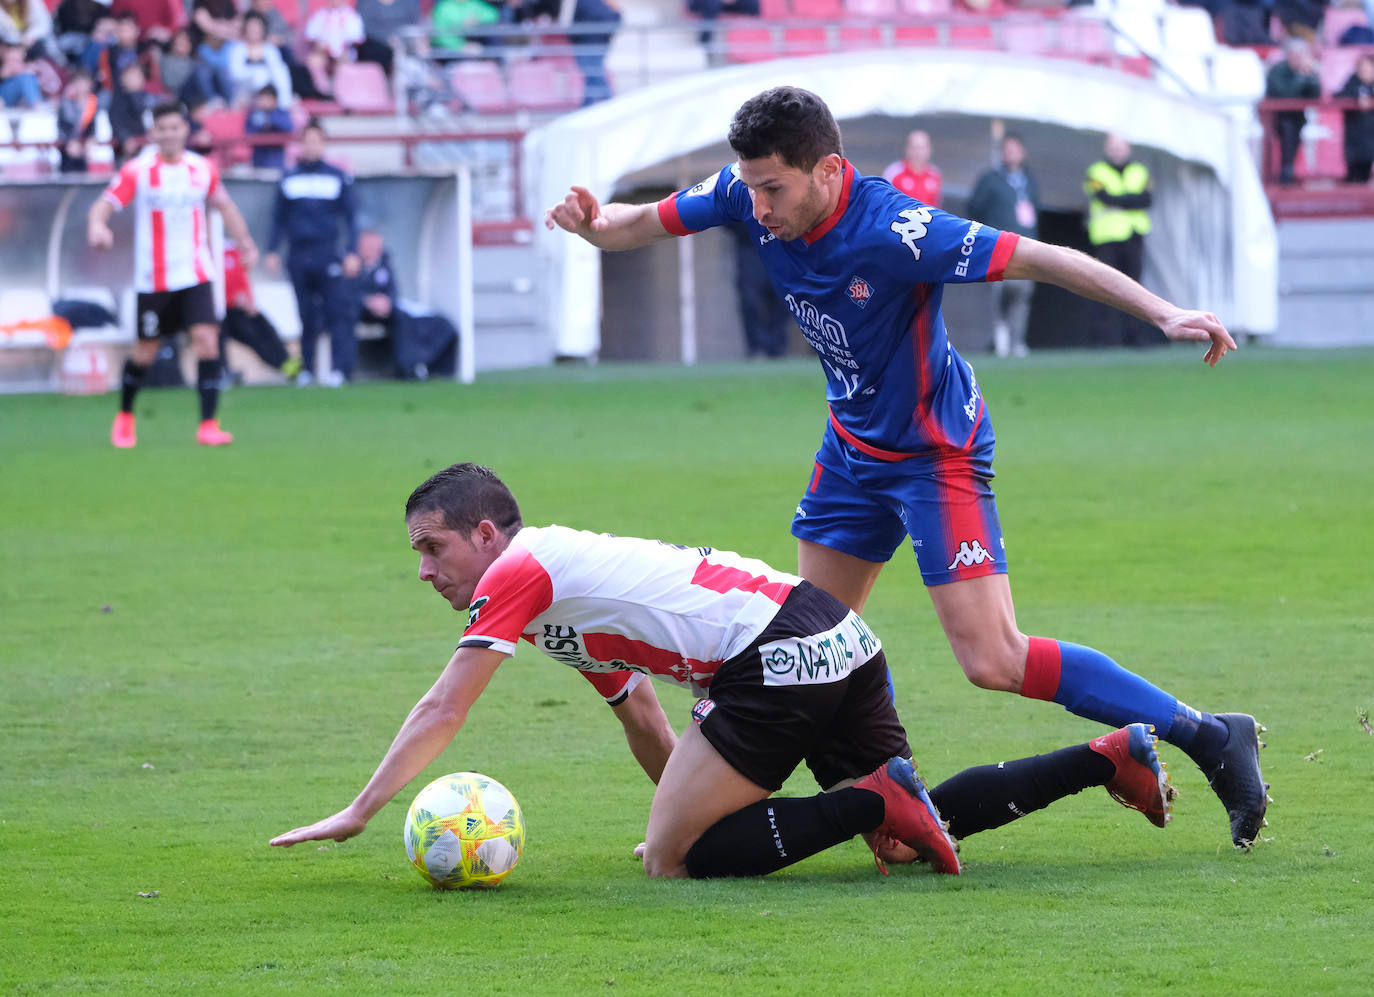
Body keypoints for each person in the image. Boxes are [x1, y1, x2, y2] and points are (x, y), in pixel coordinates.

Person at [544, 86, 1270, 850]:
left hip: (935, 454)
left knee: (993, 658)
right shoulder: (743, 187)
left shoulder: (898, 229)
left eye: (772, 189)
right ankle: (898, 798)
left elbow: (1042, 257)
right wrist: (594, 227)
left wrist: (1162, 312)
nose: (755, 207)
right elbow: (636, 222)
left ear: (828, 170)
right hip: (853, 450)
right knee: (811, 648)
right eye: (750, 187)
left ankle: (1210, 733)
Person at [269, 462, 1176, 879]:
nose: (427, 570)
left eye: (433, 548)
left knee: (674, 864)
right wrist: (692, 799)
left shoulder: (518, 574)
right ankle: (1108, 756)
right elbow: (641, 718)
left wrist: (360, 810)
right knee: (904, 842)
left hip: (767, 655)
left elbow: (443, 706)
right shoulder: (559, 595)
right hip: (833, 633)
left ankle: (872, 796)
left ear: (486, 534)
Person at [87, 101, 260, 448]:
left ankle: (208, 424)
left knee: (208, 341)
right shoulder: (139, 170)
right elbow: (105, 202)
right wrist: (97, 225)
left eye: (175, 127)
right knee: (145, 352)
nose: (169, 134)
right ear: (153, 133)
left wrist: (245, 243)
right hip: (154, 279)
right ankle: (124, 416)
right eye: (162, 128)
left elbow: (224, 205)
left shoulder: (202, 169)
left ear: (185, 130)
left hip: (195, 273)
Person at [264, 119, 361, 387]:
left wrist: (352, 251)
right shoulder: (290, 178)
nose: (311, 146)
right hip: (299, 254)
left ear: (324, 144)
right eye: (307, 140)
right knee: (305, 314)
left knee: (336, 312)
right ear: (300, 144)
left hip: (328, 252)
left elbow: (351, 218)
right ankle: (307, 369)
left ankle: (339, 369)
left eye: (316, 140)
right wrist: (272, 250)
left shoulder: (337, 177)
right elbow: (278, 219)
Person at [967, 132, 1040, 357]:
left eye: (1015, 149)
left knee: (1022, 294)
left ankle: (1018, 340)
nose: (1011, 153)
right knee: (998, 296)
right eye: (1007, 149)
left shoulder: (1029, 179)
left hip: (1026, 244)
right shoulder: (990, 178)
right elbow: (974, 206)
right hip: (998, 245)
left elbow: (1035, 208)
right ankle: (1000, 341)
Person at [1083, 133, 1155, 347]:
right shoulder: (1096, 171)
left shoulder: (1140, 171)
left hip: (1133, 235)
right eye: (1113, 147)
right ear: (1106, 148)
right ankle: (1101, 338)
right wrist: (1129, 199)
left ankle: (1133, 337)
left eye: (1120, 147)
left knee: (1135, 289)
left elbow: (1146, 199)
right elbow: (1103, 197)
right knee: (1102, 286)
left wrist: (1118, 200)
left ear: (1128, 148)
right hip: (1107, 237)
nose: (1117, 151)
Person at [220, 237, 302, 383]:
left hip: (240, 307)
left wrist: (248, 301)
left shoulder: (234, 249)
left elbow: (240, 278)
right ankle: (221, 371)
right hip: (221, 309)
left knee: (265, 326)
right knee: (252, 336)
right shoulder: (207, 249)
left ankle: (287, 364)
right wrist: (232, 298)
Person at [1265, 37, 1322, 185]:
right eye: (1297, 55)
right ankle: (1286, 172)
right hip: (1277, 118)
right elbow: (1284, 95)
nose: (1299, 59)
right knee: (1288, 130)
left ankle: (1289, 170)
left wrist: (1312, 77)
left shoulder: (1305, 71)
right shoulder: (1277, 71)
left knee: (1293, 132)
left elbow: (1315, 96)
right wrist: (1301, 78)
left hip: (1298, 117)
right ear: (1288, 54)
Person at [226, 11, 292, 108]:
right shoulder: (237, 49)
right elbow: (235, 74)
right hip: (244, 93)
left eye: (257, 27)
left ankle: (284, 103)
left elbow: (277, 72)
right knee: (259, 76)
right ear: (245, 28)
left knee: (282, 69)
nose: (254, 30)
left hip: (268, 91)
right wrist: (255, 74)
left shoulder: (270, 50)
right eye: (251, 27)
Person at [1336, 53, 1374, 184]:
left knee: (1365, 170)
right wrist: (1355, 99)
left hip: (1370, 135)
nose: (1365, 72)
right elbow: (1339, 96)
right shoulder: (1352, 82)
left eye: (1368, 68)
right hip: (1354, 135)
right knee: (1352, 171)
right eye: (1362, 68)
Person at [881, 128, 942, 207]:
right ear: (907, 149)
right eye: (915, 147)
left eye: (922, 148)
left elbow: (936, 206)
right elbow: (884, 202)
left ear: (929, 150)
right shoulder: (894, 172)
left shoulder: (934, 175)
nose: (918, 152)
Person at [107, 59, 152, 164]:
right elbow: (116, 123)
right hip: (123, 146)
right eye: (130, 75)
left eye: (137, 75)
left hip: (147, 143)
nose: (134, 79)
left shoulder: (149, 99)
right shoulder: (116, 100)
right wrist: (126, 138)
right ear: (122, 79)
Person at [56, 69, 98, 173]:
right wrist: (69, 142)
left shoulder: (93, 103)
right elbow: (62, 126)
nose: (81, 86)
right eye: (78, 82)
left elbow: (92, 127)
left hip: (84, 149)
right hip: (68, 150)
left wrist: (90, 139)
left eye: (84, 82)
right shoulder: (66, 103)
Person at [244, 83, 292, 172]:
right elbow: (248, 132)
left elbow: (288, 129)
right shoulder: (254, 114)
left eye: (267, 98)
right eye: (261, 98)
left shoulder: (282, 113)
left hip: (276, 158)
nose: (264, 102)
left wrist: (270, 121)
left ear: (275, 100)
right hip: (258, 158)